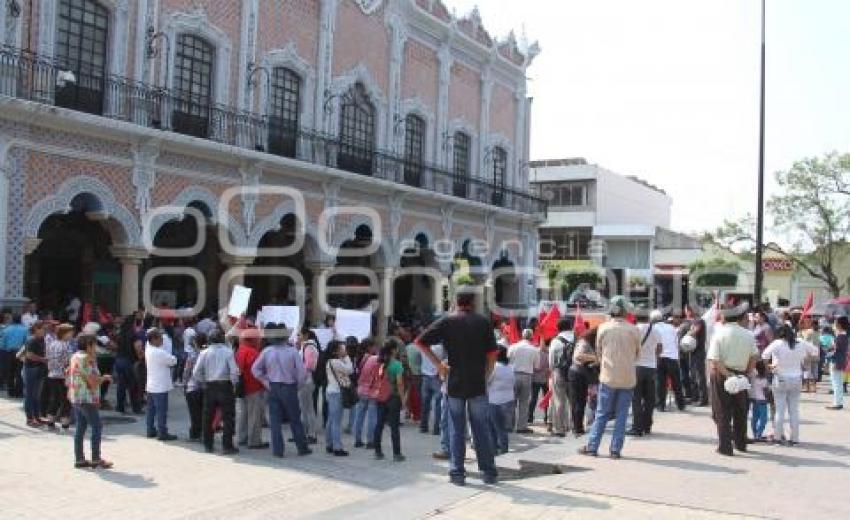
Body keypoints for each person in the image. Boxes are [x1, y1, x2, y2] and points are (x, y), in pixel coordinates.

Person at [416, 290, 499, 486]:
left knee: (456, 428)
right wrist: (486, 374)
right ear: (473, 302)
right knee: (481, 428)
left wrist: (439, 364)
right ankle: (488, 472)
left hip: (455, 382)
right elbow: (493, 354)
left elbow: (420, 341)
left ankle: (457, 473)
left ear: (456, 302)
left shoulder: (448, 321)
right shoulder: (483, 322)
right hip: (477, 382)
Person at [578, 297, 641, 459]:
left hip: (607, 376)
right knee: (622, 416)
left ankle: (592, 447)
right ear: (625, 311)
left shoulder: (603, 328)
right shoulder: (634, 330)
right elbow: (637, 355)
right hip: (627, 378)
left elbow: (599, 353)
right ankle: (615, 450)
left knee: (601, 413)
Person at [252, 324, 312, 457]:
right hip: (289, 387)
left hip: (273, 386)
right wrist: (298, 386)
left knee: (275, 420)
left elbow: (255, 369)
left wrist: (266, 381)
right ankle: (302, 448)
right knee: (295, 419)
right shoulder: (292, 352)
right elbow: (302, 374)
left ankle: (278, 450)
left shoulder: (267, 351)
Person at [707, 306, 759, 456]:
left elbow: (714, 360)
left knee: (722, 410)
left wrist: (728, 375)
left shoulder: (719, 333)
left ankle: (725, 446)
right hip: (741, 374)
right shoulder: (748, 335)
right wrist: (747, 372)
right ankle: (741, 443)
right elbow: (754, 356)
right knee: (740, 410)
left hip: (722, 374)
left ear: (724, 318)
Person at [761, 324, 818, 444]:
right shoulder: (801, 342)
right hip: (797, 378)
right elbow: (815, 352)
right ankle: (795, 438)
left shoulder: (777, 343)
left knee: (779, 410)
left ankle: (777, 436)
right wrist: (805, 363)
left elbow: (764, 355)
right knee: (794, 410)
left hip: (780, 377)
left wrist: (769, 367)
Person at [66, 334, 112, 469]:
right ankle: (96, 458)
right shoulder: (88, 359)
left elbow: (68, 373)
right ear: (88, 346)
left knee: (81, 428)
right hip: (87, 398)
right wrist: (104, 378)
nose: (95, 348)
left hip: (76, 396)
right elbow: (93, 380)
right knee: (97, 427)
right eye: (94, 345)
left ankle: (79, 458)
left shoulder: (75, 356)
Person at [193, 328, 240, 454]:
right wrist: (234, 383)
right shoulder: (228, 352)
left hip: (210, 386)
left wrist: (203, 382)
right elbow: (234, 371)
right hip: (225, 385)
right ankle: (227, 445)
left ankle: (208, 445)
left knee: (208, 417)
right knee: (228, 417)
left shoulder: (204, 353)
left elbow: (196, 372)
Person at [627, 313, 661, 437]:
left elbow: (629, 348)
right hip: (651, 367)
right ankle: (647, 426)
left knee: (636, 398)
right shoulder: (655, 330)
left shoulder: (633, 329)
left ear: (636, 318)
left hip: (636, 367)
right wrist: (653, 358)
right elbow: (659, 348)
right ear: (648, 318)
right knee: (649, 399)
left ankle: (637, 428)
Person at [373, 340, 406, 461]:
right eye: (396, 348)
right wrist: (403, 400)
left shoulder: (379, 362)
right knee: (394, 426)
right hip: (393, 397)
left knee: (379, 424)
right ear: (393, 350)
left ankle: (377, 451)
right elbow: (400, 384)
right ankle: (397, 454)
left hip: (380, 396)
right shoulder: (397, 364)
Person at [235, 325, 267, 449]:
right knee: (254, 415)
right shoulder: (253, 352)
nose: (260, 341)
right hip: (253, 387)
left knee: (243, 414)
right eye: (258, 339)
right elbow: (259, 371)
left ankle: (241, 437)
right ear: (253, 340)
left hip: (242, 388)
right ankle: (254, 441)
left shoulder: (240, 350)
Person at [144, 328, 178, 441]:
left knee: (151, 410)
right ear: (154, 339)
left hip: (151, 385)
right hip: (160, 386)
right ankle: (162, 432)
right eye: (160, 338)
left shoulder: (148, 350)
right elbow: (173, 360)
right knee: (161, 411)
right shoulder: (159, 352)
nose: (162, 341)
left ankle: (150, 430)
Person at [508, 328, 541, 433]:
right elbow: (537, 366)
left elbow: (508, 360)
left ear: (522, 336)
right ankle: (521, 426)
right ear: (531, 337)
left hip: (513, 374)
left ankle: (509, 425)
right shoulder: (534, 349)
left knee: (511, 401)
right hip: (527, 376)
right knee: (524, 402)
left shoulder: (513, 347)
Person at [324, 339, 353, 456]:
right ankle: (337, 447)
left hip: (331, 391)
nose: (343, 350)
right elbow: (349, 370)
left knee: (331, 419)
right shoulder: (335, 362)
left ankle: (329, 443)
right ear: (335, 351)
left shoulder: (331, 361)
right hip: (336, 392)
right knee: (336, 421)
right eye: (341, 348)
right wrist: (347, 357)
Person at [569, 327, 598, 437]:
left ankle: (577, 426)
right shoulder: (584, 343)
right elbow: (578, 356)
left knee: (580, 401)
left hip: (579, 373)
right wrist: (596, 358)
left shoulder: (586, 343)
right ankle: (577, 427)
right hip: (578, 373)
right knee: (578, 402)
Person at [653, 311, 686, 412]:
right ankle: (681, 405)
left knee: (660, 383)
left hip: (660, 358)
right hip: (672, 357)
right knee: (677, 383)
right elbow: (676, 343)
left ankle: (660, 406)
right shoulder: (671, 328)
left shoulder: (654, 328)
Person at [45, 323, 74, 429]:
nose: (72, 335)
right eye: (70, 332)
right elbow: (68, 360)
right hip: (63, 375)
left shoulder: (52, 344)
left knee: (55, 398)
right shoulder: (66, 345)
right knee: (66, 399)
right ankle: (65, 422)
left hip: (52, 374)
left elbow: (48, 357)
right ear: (65, 333)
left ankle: (50, 421)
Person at [487, 345, 515, 454]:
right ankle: (503, 448)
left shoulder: (494, 367)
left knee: (493, 427)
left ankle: (496, 449)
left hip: (494, 400)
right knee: (502, 427)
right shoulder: (511, 367)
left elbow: (487, 380)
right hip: (508, 400)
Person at [548, 318, 573, 437]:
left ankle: (559, 429)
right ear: (571, 326)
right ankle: (575, 426)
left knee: (559, 401)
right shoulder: (577, 338)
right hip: (574, 372)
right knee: (574, 401)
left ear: (558, 328)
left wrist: (552, 371)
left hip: (559, 372)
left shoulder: (556, 341)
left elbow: (551, 360)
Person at [115, 317, 143, 414]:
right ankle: (136, 408)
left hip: (119, 360)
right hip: (129, 361)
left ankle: (120, 406)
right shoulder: (134, 335)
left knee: (121, 385)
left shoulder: (120, 334)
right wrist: (141, 358)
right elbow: (138, 348)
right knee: (133, 385)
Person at [297, 329, 320, 444]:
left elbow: (309, 365)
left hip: (306, 381)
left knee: (307, 408)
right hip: (305, 380)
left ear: (305, 335)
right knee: (305, 408)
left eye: (299, 334)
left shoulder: (309, 347)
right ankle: (304, 432)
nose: (297, 337)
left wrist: (301, 376)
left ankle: (311, 433)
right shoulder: (305, 346)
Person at [354, 342, 379, 448]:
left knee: (359, 415)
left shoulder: (359, 358)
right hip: (372, 390)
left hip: (360, 389)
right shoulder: (374, 359)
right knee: (372, 416)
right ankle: (370, 440)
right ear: (370, 347)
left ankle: (357, 439)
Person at [23, 321, 48, 427]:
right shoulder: (32, 340)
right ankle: (29, 418)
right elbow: (29, 355)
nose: (44, 331)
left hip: (40, 369)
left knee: (37, 395)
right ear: (37, 329)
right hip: (31, 369)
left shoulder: (42, 339)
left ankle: (37, 417)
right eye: (43, 329)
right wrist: (43, 359)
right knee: (30, 394)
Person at [183, 332, 206, 442]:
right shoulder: (207, 354)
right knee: (202, 412)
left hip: (192, 387)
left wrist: (184, 384)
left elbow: (187, 372)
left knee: (194, 413)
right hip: (204, 387)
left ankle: (195, 434)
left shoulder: (192, 356)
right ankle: (202, 433)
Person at [419, 341, 444, 435]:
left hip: (425, 377)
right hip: (436, 377)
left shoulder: (423, 347)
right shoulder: (440, 348)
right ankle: (436, 428)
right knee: (437, 405)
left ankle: (423, 426)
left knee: (425, 404)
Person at [1, 314, 28, 397]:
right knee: (19, 372)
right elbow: (26, 342)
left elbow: (2, 344)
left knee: (10, 372)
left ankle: (11, 392)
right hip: (20, 352)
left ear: (12, 320)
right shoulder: (25, 329)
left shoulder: (6, 330)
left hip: (9, 353)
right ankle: (19, 392)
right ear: (20, 320)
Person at [826, 316, 848, 410]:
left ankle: (837, 403)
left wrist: (830, 347)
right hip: (840, 361)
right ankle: (838, 402)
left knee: (836, 383)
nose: (834, 325)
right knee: (837, 382)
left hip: (836, 361)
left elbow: (835, 349)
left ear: (839, 325)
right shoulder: (843, 335)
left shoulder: (841, 336)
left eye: (835, 323)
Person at [688, 319, 709, 406]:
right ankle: (695, 397)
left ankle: (703, 399)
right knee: (693, 375)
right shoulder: (695, 321)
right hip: (694, 352)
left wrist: (689, 332)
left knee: (699, 376)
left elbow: (693, 332)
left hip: (699, 353)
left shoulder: (699, 321)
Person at [530, 339, 551, 427]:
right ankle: (530, 416)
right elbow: (534, 366)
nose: (544, 345)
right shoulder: (536, 352)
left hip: (545, 379)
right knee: (533, 398)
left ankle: (546, 417)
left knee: (546, 400)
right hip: (536, 379)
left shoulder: (549, 352)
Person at [748, 361, 769, 442]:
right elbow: (765, 391)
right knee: (764, 418)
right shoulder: (763, 379)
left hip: (754, 398)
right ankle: (758, 434)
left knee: (755, 417)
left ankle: (755, 433)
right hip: (762, 400)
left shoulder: (752, 375)